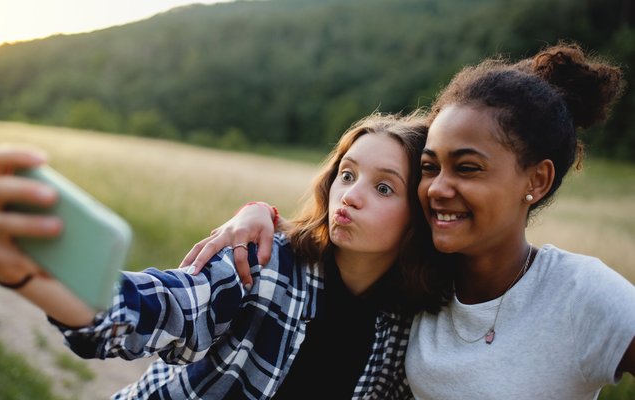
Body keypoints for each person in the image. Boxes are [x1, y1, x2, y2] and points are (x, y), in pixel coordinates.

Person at [181, 43, 635, 398]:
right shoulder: (420, 283)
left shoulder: (578, 293)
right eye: (431, 167)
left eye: (468, 167)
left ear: (536, 179)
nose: (437, 188)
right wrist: (260, 214)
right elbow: (331, 247)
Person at [0, 112, 450, 399]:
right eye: (347, 173)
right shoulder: (267, 261)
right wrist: (42, 281)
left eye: (384, 187)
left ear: (420, 214)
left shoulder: (411, 325)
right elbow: (170, 306)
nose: (351, 195)